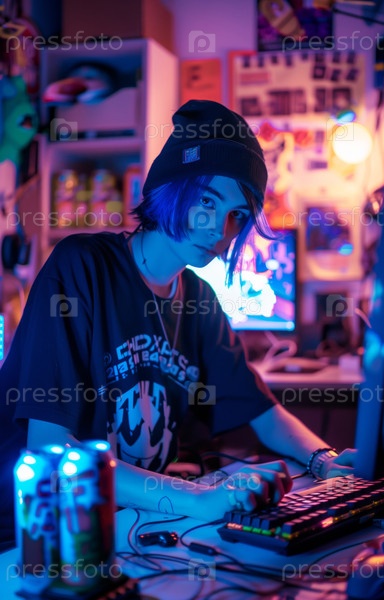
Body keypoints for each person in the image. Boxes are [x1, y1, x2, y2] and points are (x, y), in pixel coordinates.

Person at [0, 100, 356, 548]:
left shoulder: (200, 299)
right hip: (35, 534)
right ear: (171, 188)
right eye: (207, 201)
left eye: (237, 215)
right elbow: (49, 449)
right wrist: (200, 498)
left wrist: (325, 461)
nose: (220, 229)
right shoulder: (81, 266)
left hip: (129, 526)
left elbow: (262, 413)